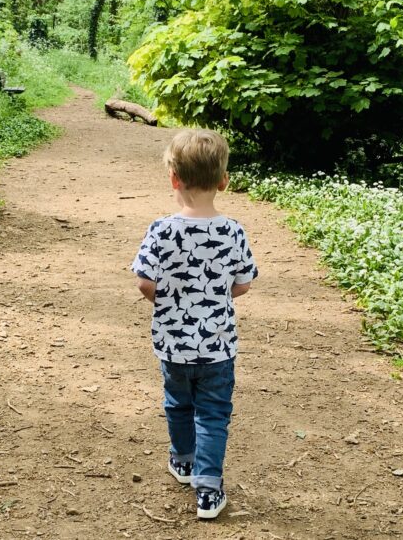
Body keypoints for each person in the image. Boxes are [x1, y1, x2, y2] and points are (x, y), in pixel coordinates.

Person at [131, 129, 258, 520]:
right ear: (223, 181)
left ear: (174, 178)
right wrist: (216, 300)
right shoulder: (233, 230)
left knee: (178, 403)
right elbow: (244, 282)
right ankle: (208, 489)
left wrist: (170, 301)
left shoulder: (160, 230)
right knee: (214, 414)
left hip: (172, 343)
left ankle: (183, 460)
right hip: (217, 346)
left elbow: (144, 282)